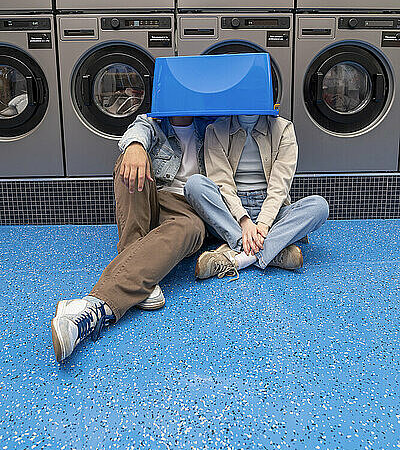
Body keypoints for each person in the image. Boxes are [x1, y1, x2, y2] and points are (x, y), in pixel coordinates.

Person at [51, 114, 213, 362]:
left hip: (187, 206)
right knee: (128, 163)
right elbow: (138, 130)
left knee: (192, 228)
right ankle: (141, 278)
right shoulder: (153, 121)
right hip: (149, 195)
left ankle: (90, 309)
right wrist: (135, 147)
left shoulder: (216, 124)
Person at [184, 114, 329, 280]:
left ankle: (237, 258)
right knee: (194, 185)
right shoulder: (216, 129)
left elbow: (279, 186)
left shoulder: (283, 128)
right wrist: (244, 221)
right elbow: (222, 182)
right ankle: (271, 251)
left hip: (270, 210)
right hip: (229, 212)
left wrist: (264, 223)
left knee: (319, 206)